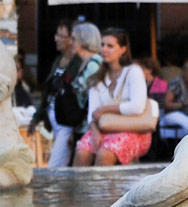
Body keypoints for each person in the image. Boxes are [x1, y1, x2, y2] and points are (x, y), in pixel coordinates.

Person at [74, 28, 151, 166]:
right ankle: (82, 188)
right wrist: (95, 132)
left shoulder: (134, 71)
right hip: (102, 129)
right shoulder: (98, 76)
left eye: (110, 46)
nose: (104, 49)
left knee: (105, 154)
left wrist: (104, 109)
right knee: (82, 152)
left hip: (133, 130)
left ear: (123, 49)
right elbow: (92, 112)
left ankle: (102, 188)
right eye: (102, 45)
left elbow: (137, 107)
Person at [27, 19, 84, 167]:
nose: (56, 39)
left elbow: (76, 95)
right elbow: (48, 92)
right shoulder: (58, 60)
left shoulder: (79, 62)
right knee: (61, 164)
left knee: (55, 166)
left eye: (60, 36)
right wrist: (36, 118)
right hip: (55, 119)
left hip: (67, 122)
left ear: (72, 40)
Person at [69, 22, 104, 137]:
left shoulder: (93, 65)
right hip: (81, 126)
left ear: (84, 40)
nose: (70, 42)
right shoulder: (84, 63)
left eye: (74, 39)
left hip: (89, 128)